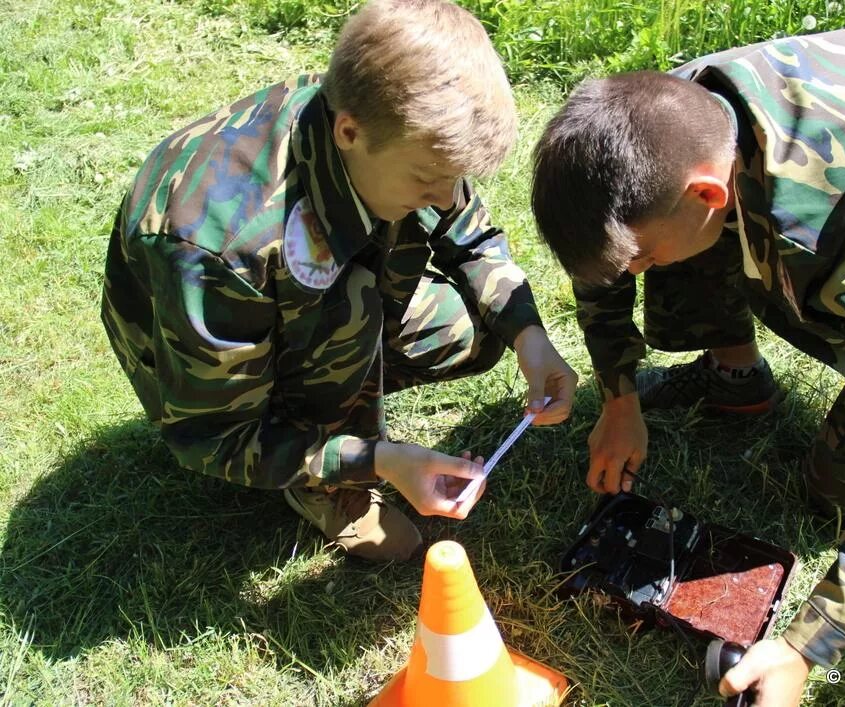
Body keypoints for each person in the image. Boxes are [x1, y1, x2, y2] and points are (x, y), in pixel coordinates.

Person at [531, 28, 845, 706]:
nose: (631, 273)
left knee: (844, 488)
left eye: (639, 258)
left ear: (708, 196)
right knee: (666, 244)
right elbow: (608, 251)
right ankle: (737, 379)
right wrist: (619, 397)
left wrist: (807, 647)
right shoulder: (673, 121)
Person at [101, 0, 577, 564]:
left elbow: (468, 234)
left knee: (477, 327)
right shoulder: (219, 248)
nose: (447, 198)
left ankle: (337, 408)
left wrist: (531, 337)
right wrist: (379, 460)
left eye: (456, 178)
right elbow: (216, 438)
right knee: (346, 312)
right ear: (349, 131)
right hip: (212, 365)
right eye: (429, 179)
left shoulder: (382, 124)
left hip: (301, 299)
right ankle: (318, 476)